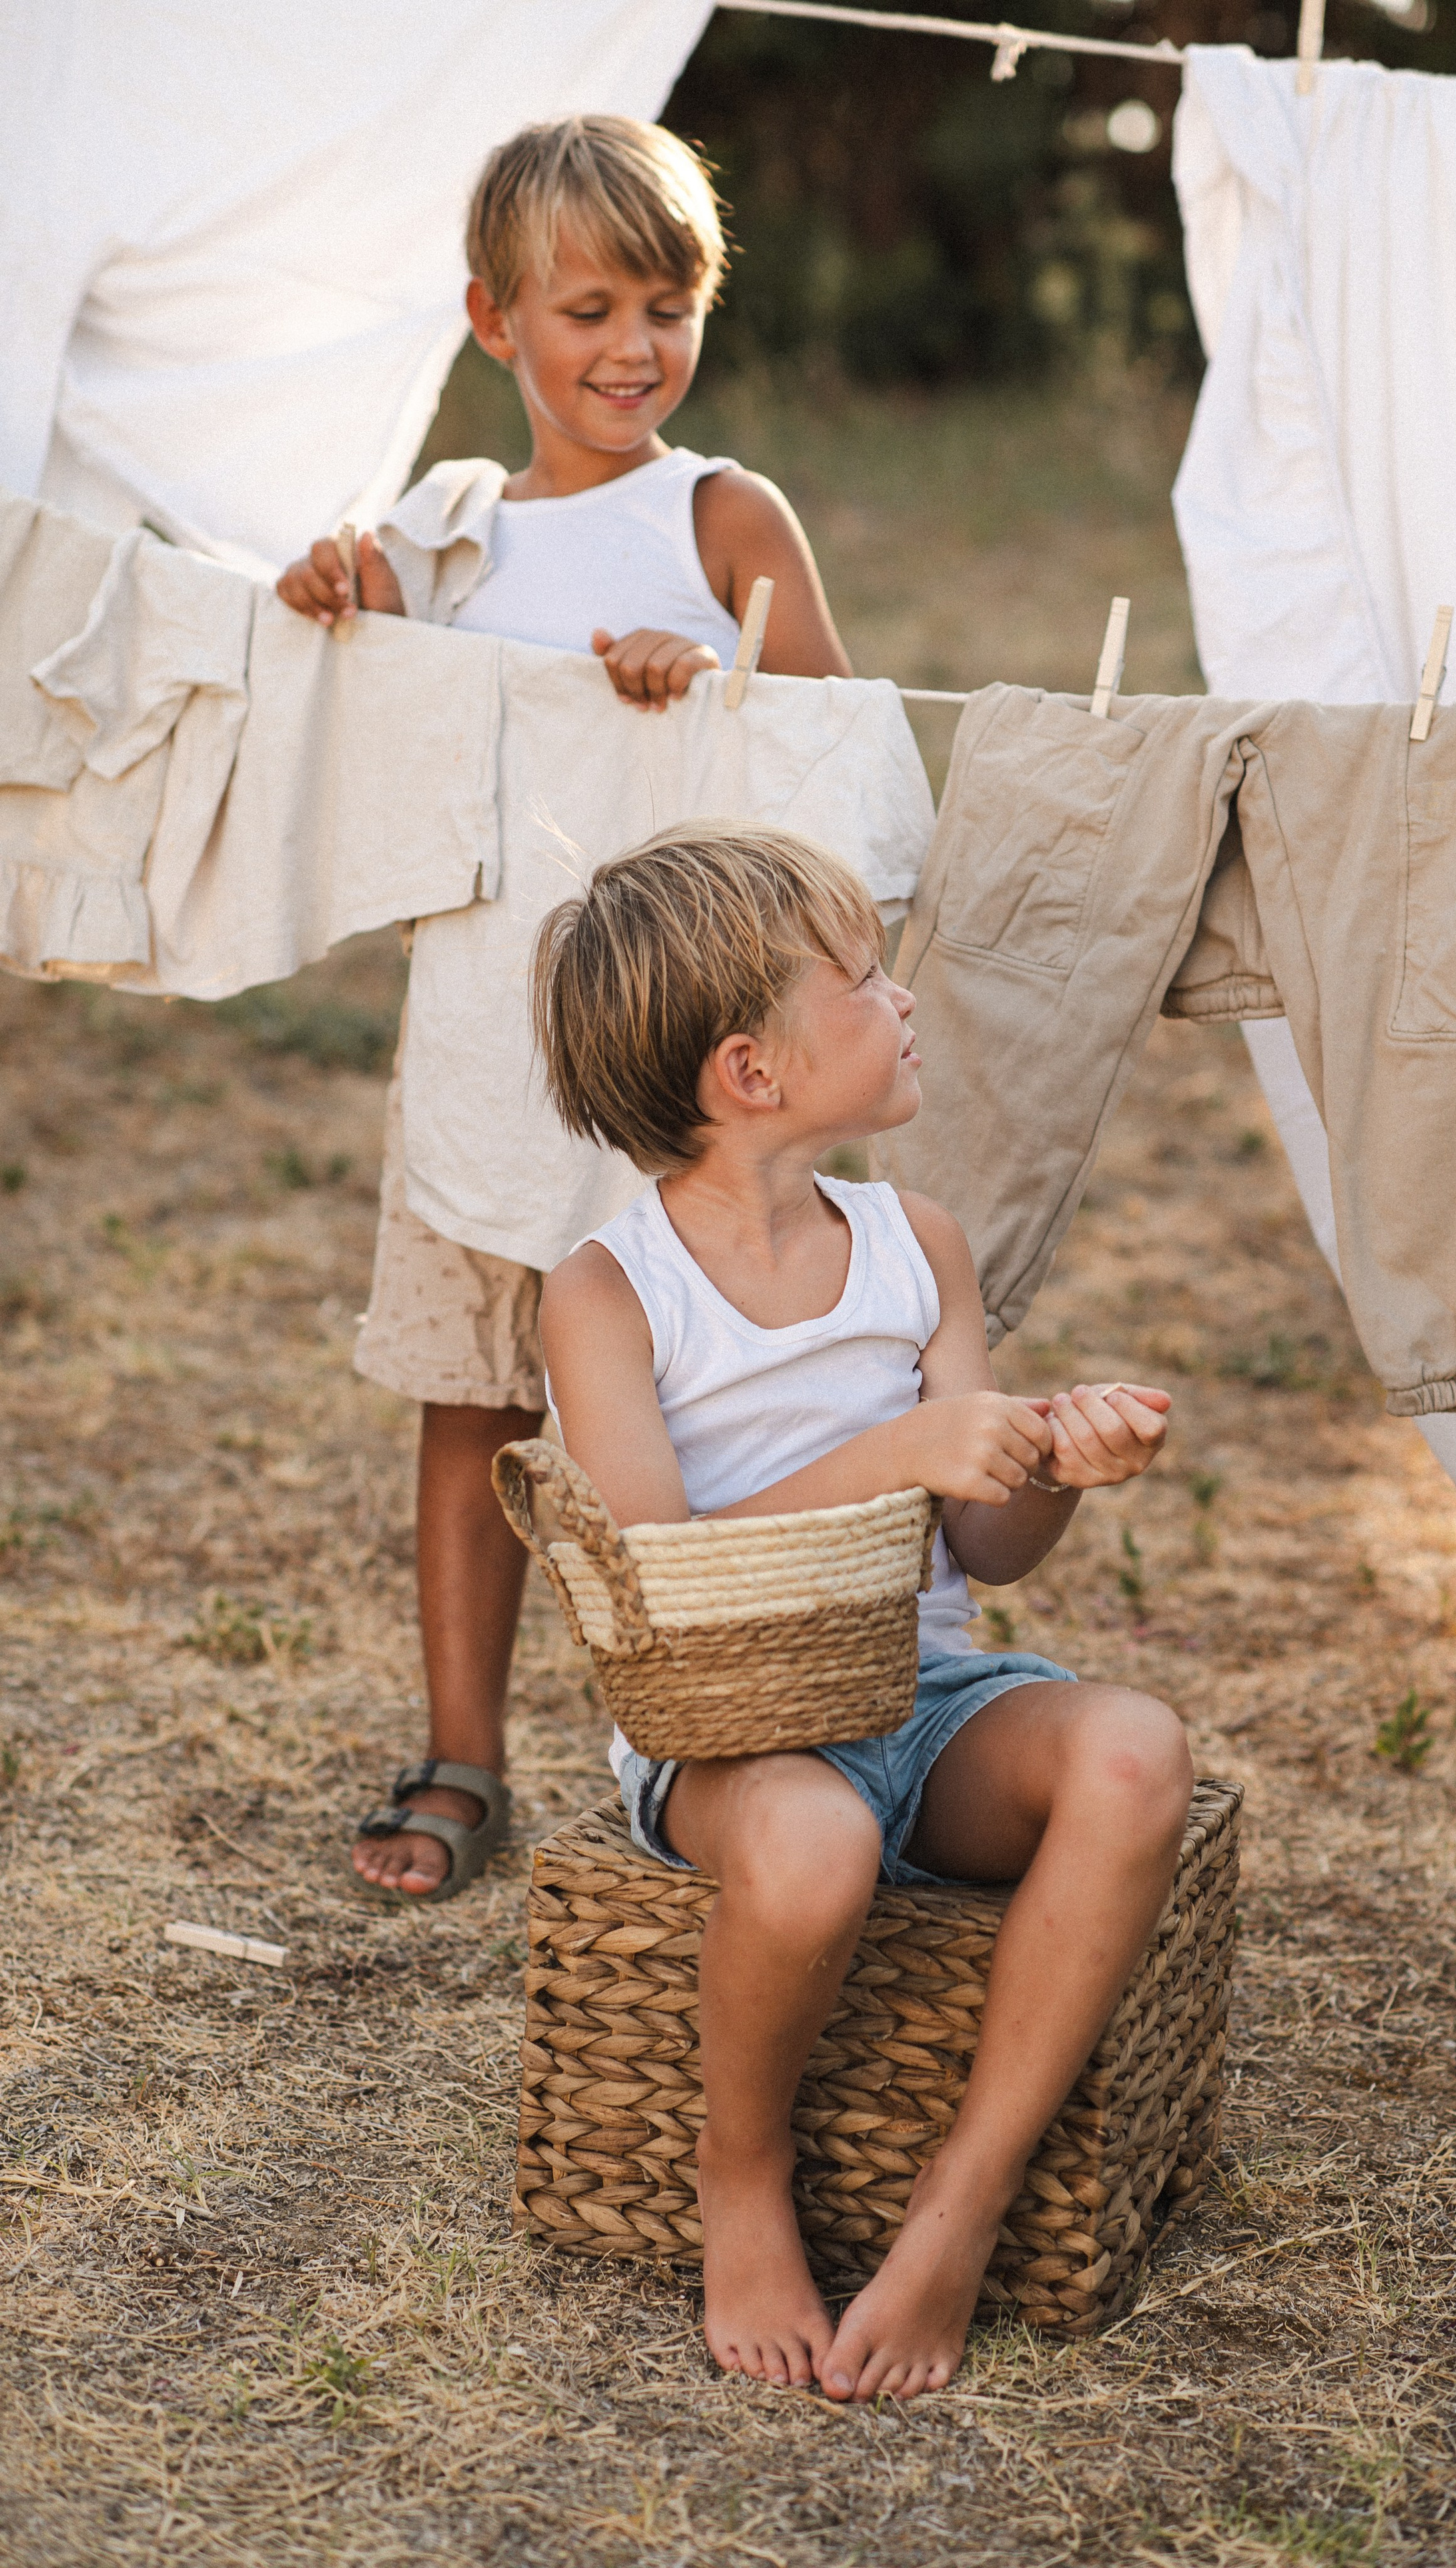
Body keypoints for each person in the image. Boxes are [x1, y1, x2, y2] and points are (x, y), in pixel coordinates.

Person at [532, 826, 1194, 2404]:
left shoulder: (919, 1249)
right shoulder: (608, 1293)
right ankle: (739, 2171)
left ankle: (955, 2208)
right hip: (728, 1740)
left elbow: (989, 1544)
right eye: (868, 978)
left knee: (1132, 1753)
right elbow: (653, 1582)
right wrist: (883, 1453)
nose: (905, 1000)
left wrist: (1054, 1464)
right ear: (752, 1069)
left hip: (928, 1699)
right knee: (815, 1844)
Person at [273, 117, 853, 1899]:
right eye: (586, 308)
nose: (630, 348)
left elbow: (836, 752)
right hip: (487, 1046)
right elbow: (357, 667)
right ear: (493, 323)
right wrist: (335, 595)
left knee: (696, 1423)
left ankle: (727, 1755)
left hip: (684, 1067)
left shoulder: (722, 516)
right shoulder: (451, 539)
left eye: (666, 304)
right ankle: (462, 1752)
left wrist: (716, 680)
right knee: (472, 1404)